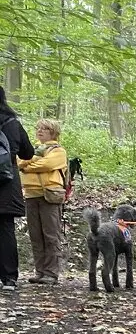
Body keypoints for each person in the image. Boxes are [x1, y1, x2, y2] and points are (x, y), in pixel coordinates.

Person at [18, 118, 68, 285]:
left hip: (50, 195)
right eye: (38, 128)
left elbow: (47, 164)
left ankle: (51, 273)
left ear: (53, 132)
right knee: (35, 235)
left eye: (44, 129)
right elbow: (19, 162)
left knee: (51, 235)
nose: (40, 131)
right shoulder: (32, 149)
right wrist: (28, 162)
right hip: (31, 195)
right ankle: (39, 271)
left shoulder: (58, 150)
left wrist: (27, 165)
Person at [0, 87, 34, 291]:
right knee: (6, 229)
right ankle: (9, 278)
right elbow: (28, 153)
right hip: (6, 182)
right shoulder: (12, 123)